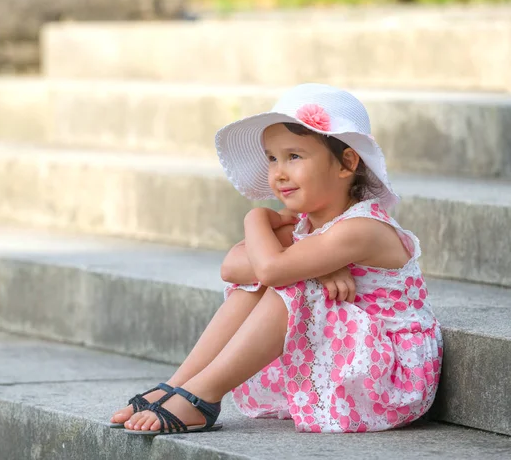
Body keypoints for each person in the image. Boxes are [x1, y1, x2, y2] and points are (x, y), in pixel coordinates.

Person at [110, 83, 443, 435]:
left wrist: (255, 219)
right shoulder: (307, 223)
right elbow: (233, 268)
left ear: (347, 163)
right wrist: (315, 266)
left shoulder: (361, 228)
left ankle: (202, 395)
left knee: (290, 280)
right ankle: (180, 383)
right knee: (262, 283)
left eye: (294, 157)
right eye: (272, 158)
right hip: (347, 359)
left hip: (391, 377)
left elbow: (269, 267)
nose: (278, 173)